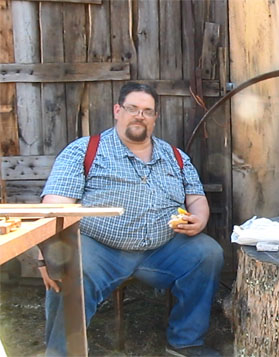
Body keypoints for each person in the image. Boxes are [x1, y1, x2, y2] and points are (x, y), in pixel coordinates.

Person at [39, 82, 224, 357]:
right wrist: (47, 256)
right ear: (117, 110)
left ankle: (185, 341)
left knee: (208, 253)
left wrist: (198, 219)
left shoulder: (175, 157)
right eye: (132, 108)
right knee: (70, 265)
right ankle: (61, 352)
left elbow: (196, 198)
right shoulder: (84, 151)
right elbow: (55, 207)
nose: (140, 115)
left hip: (162, 249)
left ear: (155, 117)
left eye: (147, 111)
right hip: (99, 248)